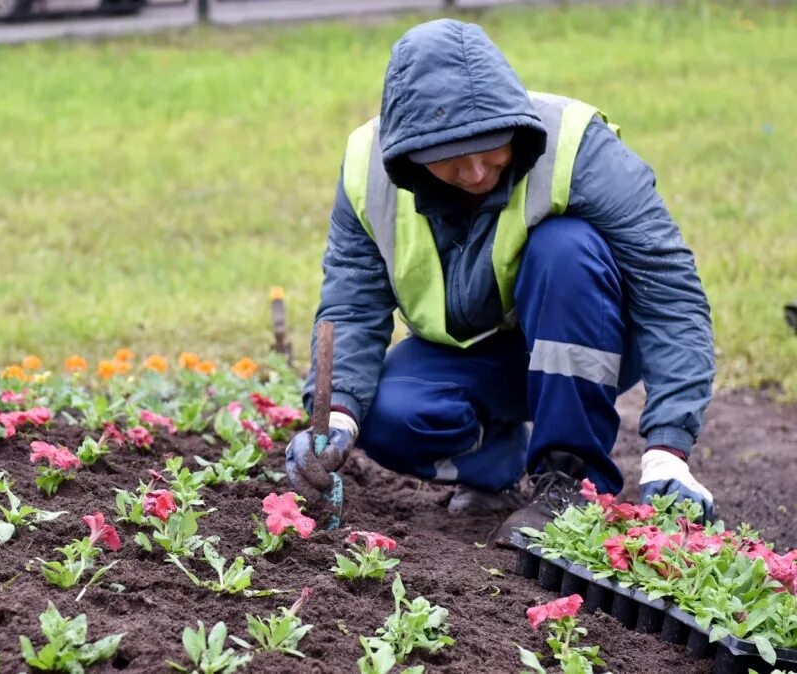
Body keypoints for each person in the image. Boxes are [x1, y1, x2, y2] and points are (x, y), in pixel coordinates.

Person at [284, 19, 716, 545]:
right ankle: (495, 471)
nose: (474, 173)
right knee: (385, 415)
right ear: (410, 155)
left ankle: (569, 480)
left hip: (587, 336)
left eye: (491, 149)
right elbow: (351, 305)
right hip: (479, 356)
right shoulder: (366, 168)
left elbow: (669, 288)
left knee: (565, 249)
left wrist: (668, 447)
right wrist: (336, 418)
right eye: (449, 158)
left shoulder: (576, 146)